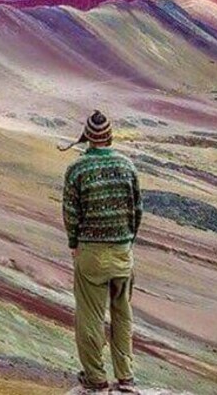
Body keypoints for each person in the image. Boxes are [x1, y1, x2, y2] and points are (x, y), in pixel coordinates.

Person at [59, 110, 143, 394]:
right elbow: (137, 209)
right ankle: (126, 378)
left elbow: (71, 212)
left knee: (89, 315)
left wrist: (74, 244)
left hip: (91, 253)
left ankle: (95, 378)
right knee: (123, 313)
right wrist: (127, 241)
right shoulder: (128, 166)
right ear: (110, 136)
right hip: (122, 250)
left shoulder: (77, 169)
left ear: (87, 138)